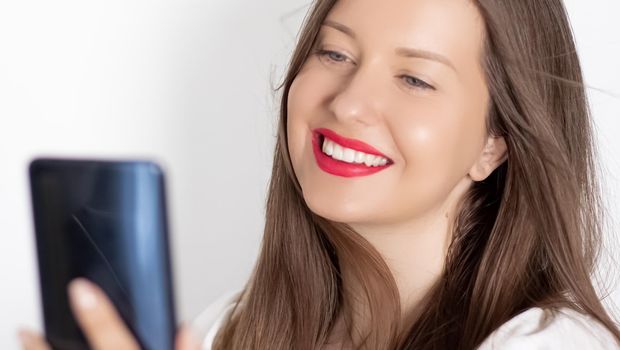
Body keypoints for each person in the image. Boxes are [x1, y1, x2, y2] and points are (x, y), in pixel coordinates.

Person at [18, 0, 620, 349]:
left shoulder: (552, 343)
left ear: (495, 144)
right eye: (334, 54)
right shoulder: (225, 328)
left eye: (414, 78)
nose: (349, 103)